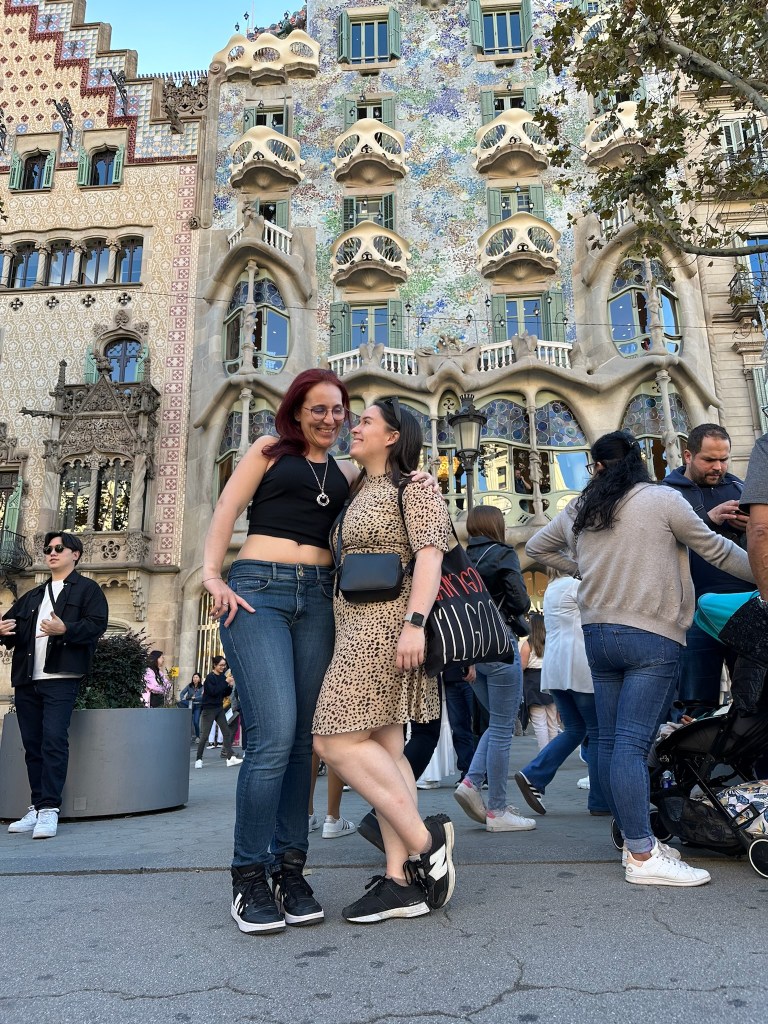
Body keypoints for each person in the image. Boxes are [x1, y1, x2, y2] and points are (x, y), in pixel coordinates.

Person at [202, 370, 437, 936]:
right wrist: (212, 576)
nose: (332, 419)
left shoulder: (349, 471)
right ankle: (249, 875)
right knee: (273, 736)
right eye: (320, 409)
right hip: (259, 589)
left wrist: (418, 470)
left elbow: (393, 479)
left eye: (341, 411)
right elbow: (226, 511)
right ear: (296, 409)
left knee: (306, 745)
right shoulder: (268, 450)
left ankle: (291, 870)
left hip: (322, 601)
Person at [526, 430, 753, 887]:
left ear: (598, 467)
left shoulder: (581, 508)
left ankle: (635, 836)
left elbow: (536, 549)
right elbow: (717, 549)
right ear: (638, 462)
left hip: (599, 636)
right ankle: (643, 854)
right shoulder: (662, 499)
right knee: (632, 744)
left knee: (612, 741)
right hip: (651, 635)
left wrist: (585, 570)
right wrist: (763, 572)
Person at [313, 398, 456, 924]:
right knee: (387, 747)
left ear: (393, 436)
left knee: (331, 738)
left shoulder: (412, 486)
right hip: (353, 624)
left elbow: (430, 555)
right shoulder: (358, 486)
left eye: (366, 421)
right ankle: (401, 882)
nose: (355, 426)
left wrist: (415, 624)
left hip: (386, 628)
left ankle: (426, 841)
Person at [1, 532, 108, 839]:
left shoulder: (87, 590)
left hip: (61, 678)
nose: (51, 553)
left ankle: (50, 809)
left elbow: (97, 625)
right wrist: (2, 630)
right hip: (27, 679)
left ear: (75, 554)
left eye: (59, 548)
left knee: (53, 741)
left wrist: (66, 628)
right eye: (48, 549)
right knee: (32, 745)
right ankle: (36, 806)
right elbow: (12, 629)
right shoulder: (34, 596)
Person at [453, 505, 536, 833]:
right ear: (497, 526)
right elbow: (520, 602)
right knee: (503, 728)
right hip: (499, 645)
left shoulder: (458, 557)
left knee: (497, 723)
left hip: (470, 652)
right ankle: (497, 809)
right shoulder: (501, 553)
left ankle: (471, 782)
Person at [661, 424, 748, 709]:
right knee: (697, 704)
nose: (718, 467)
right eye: (709, 460)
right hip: (693, 614)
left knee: (753, 701)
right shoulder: (665, 494)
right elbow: (654, 546)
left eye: (724, 459)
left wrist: (752, 527)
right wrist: (707, 520)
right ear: (688, 455)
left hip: (744, 609)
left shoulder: (742, 490)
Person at [514, 570, 609, 816]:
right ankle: (599, 801)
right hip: (577, 666)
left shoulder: (553, 589)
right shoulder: (574, 586)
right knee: (597, 732)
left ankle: (534, 775)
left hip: (555, 669)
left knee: (577, 729)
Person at [520, 614, 559, 750]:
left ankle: (544, 756)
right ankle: (554, 755)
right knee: (552, 722)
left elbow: (522, 667)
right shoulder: (552, 642)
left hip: (533, 684)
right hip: (550, 681)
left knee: (539, 724)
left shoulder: (528, 645)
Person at [194, 656, 241, 769]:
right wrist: (226, 682)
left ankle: (230, 758)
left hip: (219, 708)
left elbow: (224, 693)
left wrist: (230, 686)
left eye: (224, 665)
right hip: (209, 709)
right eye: (221, 665)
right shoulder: (210, 677)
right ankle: (198, 759)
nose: (223, 667)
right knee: (205, 735)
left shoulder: (222, 677)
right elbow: (214, 692)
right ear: (215, 665)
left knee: (226, 732)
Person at [179, 671, 204, 740]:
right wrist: (183, 698)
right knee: (188, 721)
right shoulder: (189, 686)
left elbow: (202, 696)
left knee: (196, 721)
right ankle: (188, 735)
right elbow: (182, 693)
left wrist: (195, 698)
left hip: (198, 706)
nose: (195, 679)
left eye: (196, 677)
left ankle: (197, 736)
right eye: (194, 677)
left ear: (199, 679)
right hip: (189, 705)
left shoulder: (202, 687)